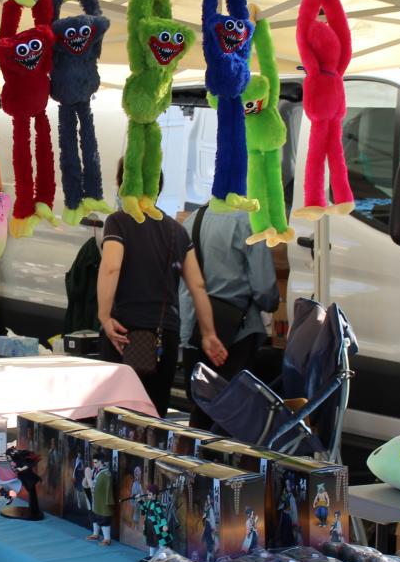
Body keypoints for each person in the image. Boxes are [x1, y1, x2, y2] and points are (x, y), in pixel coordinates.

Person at [98, 162, 227, 416]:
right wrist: (209, 333)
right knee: (154, 418)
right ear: (159, 187)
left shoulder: (119, 222)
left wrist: (104, 315)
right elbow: (197, 285)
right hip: (165, 337)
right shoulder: (177, 231)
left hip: (125, 335)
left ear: (123, 184)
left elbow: (111, 267)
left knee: (118, 419)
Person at [179, 204, 281, 428]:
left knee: (200, 407)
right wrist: (273, 304)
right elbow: (265, 290)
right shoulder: (250, 221)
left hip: (192, 327)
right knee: (231, 413)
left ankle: (193, 459)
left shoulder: (193, 219)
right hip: (235, 333)